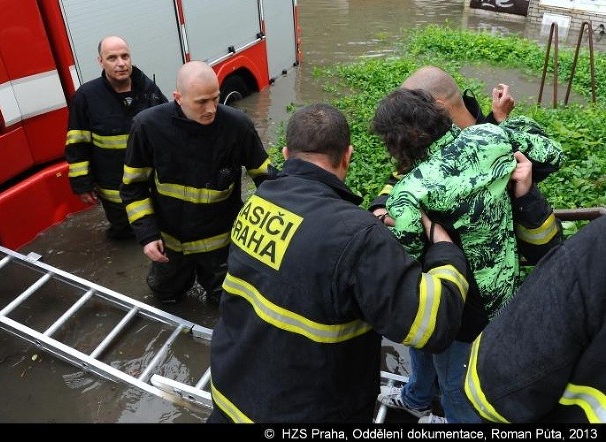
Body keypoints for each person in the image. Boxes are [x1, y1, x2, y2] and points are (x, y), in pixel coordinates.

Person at [207, 103, 471, 423]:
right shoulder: (357, 236)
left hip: (229, 396)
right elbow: (433, 323)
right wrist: (445, 249)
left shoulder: (258, 203)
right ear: (347, 156)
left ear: (288, 154)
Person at [373, 87, 563, 423]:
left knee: (456, 391)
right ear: (437, 113)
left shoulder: (409, 192)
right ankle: (417, 395)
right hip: (504, 290)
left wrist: (385, 221)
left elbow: (405, 257)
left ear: (396, 143)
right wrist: (509, 127)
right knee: (451, 357)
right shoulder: (489, 135)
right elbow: (551, 153)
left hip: (456, 309)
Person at [369, 66, 562, 266]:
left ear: (438, 108)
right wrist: (380, 207)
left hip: (493, 271)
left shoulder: (496, 141)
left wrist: (526, 195)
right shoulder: (425, 147)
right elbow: (400, 177)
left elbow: (547, 156)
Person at [120, 61, 273, 306]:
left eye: (216, 98)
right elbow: (133, 187)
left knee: (227, 303)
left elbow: (267, 181)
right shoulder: (148, 126)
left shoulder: (237, 127)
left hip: (221, 246)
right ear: (178, 98)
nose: (211, 108)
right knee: (165, 297)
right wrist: (147, 235)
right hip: (169, 248)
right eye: (201, 102)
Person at [464, 214, 606, 423]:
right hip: (481, 313)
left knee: (450, 383)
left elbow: (497, 387)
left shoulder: (596, 252)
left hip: (487, 318)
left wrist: (526, 199)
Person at [65, 36, 168, 240]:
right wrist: (82, 185)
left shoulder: (149, 91)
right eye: (112, 58)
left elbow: (167, 132)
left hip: (150, 183)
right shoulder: (86, 96)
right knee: (125, 236)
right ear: (100, 61)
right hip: (113, 189)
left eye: (125, 56)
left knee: (158, 232)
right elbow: (77, 142)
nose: (121, 63)